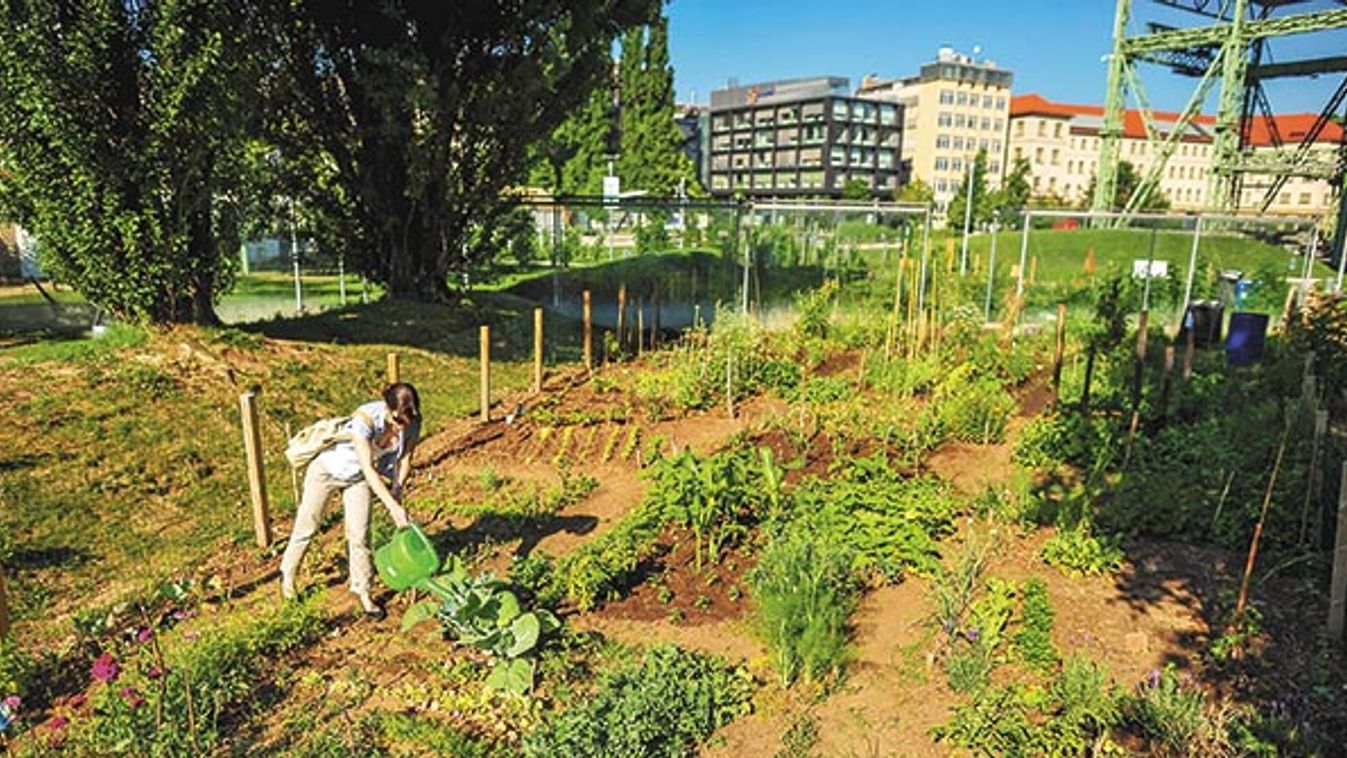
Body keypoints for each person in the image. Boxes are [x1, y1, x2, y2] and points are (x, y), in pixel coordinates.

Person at [279, 382, 421, 619]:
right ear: (387, 408)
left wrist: (397, 489)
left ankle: (363, 591)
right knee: (308, 525)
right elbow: (368, 467)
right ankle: (287, 576)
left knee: (360, 533)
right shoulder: (364, 419)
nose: (401, 427)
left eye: (406, 421)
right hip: (327, 471)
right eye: (397, 421)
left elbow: (405, 458)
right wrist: (392, 506)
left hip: (357, 479)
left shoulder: (412, 421)